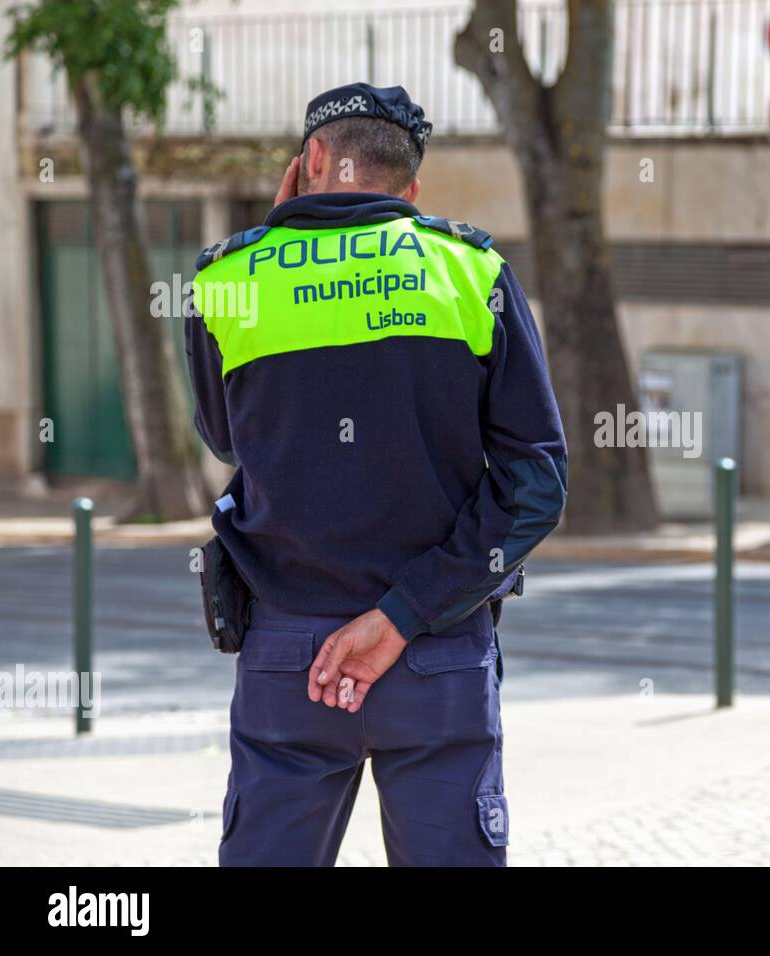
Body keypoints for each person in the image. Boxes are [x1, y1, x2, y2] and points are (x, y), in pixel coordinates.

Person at [186, 82, 567, 866]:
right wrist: (402, 616)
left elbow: (231, 441)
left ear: (311, 162)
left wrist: (278, 237)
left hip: (288, 662)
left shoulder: (227, 282)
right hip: (434, 653)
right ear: (412, 188)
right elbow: (538, 484)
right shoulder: (471, 273)